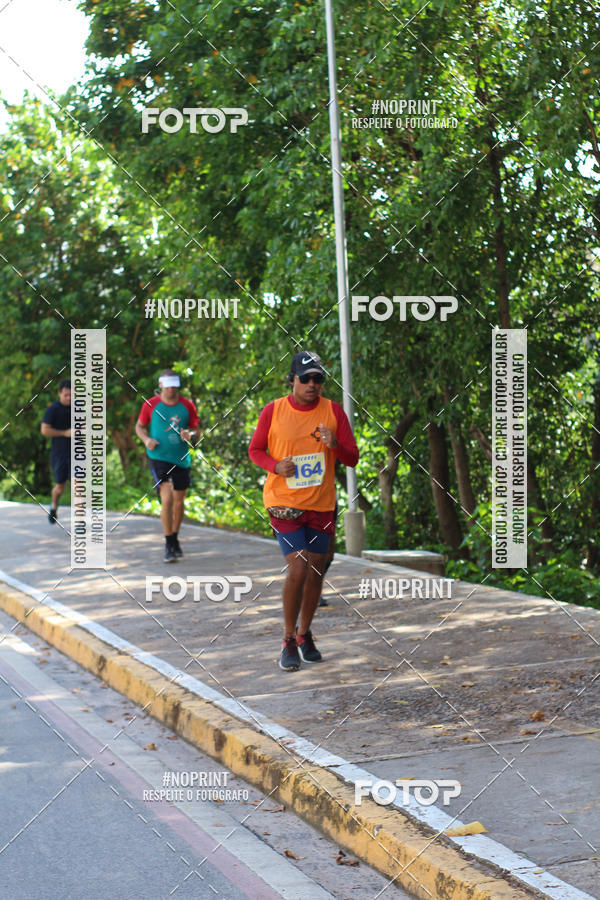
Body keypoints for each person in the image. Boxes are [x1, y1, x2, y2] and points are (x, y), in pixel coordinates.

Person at [249, 351, 359, 671]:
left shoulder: (333, 411)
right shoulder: (273, 411)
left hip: (321, 505)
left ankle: (304, 633)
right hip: (283, 503)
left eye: (318, 379)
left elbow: (352, 458)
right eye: (306, 379)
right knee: (297, 568)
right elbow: (255, 450)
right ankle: (287, 639)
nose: (313, 385)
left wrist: (335, 443)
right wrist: (275, 465)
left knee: (315, 570)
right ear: (292, 380)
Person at [135, 369, 200, 563]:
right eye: (168, 385)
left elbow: (197, 431)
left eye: (175, 386)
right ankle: (168, 543)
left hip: (181, 458)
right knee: (167, 498)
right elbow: (139, 426)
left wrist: (192, 436)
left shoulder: (187, 405)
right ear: (161, 384)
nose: (171, 389)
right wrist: (146, 439)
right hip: (158, 456)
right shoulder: (151, 404)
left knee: (179, 501)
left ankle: (174, 538)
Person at [41, 379, 72, 524]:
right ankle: (54, 507)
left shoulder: (79, 409)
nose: (69, 398)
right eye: (66, 395)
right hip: (59, 453)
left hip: (77, 454)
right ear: (59, 393)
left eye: (72, 395)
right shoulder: (53, 409)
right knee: (60, 487)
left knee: (78, 485)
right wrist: (64, 433)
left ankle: (79, 520)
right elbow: (44, 430)